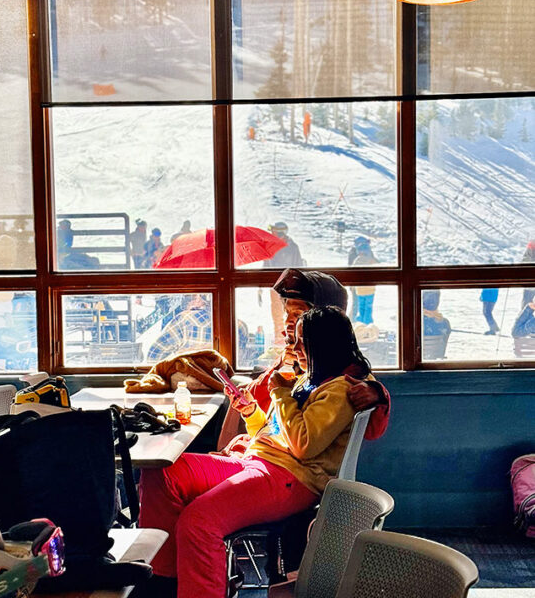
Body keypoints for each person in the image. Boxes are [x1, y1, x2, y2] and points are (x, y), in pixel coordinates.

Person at [139, 306, 386, 598]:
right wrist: (252, 411)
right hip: (256, 461)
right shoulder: (309, 378)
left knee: (198, 522)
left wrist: (279, 392)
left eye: (301, 343)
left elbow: (303, 445)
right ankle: (165, 582)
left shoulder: (341, 389)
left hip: (291, 478)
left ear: (324, 345)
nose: (293, 348)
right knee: (162, 471)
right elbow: (271, 434)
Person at [218, 268, 390, 454]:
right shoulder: (291, 355)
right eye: (287, 313)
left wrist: (378, 395)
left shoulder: (344, 370)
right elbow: (258, 404)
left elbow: (372, 429)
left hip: (290, 468)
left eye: (298, 314)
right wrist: (281, 367)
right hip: (260, 446)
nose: (289, 321)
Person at [264, 223, 304, 345]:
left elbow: (298, 267)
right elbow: (266, 266)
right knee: (277, 315)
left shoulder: (293, 248)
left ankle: (292, 341)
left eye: (274, 231)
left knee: (291, 315)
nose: (272, 233)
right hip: (275, 287)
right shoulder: (270, 246)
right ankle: (279, 341)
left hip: (290, 287)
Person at [147, 294, 212, 362]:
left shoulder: (188, 319)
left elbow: (154, 355)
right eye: (190, 299)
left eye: (193, 298)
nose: (193, 302)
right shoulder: (190, 320)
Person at [348, 236, 378, 324]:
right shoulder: (363, 254)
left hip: (360, 286)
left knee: (358, 305)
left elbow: (351, 268)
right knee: (365, 306)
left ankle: (356, 323)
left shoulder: (356, 255)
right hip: (366, 287)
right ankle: (361, 323)